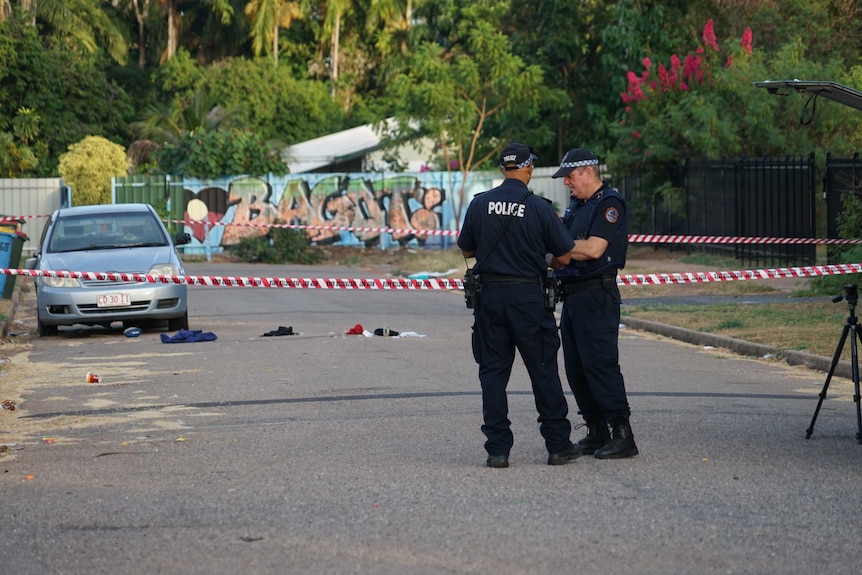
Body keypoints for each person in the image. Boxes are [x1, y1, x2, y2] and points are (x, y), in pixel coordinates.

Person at [458, 142, 581, 468]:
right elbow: (566, 256)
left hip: (491, 300)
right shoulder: (540, 208)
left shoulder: (480, 204)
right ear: (527, 168)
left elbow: (467, 250)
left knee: (493, 375)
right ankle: (558, 446)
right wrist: (540, 256)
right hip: (529, 299)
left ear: (503, 169)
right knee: (543, 372)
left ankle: (497, 450)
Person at [551, 147, 638, 459]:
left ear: (587, 172)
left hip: (597, 295)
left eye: (570, 177)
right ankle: (596, 429)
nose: (566, 183)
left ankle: (622, 433)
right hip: (574, 296)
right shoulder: (577, 207)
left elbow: (593, 249)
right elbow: (562, 247)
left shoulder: (609, 204)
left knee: (600, 364)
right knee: (576, 368)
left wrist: (557, 247)